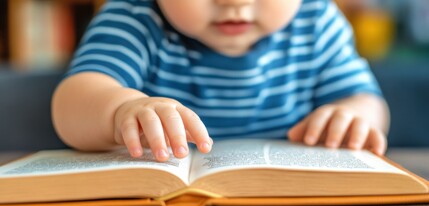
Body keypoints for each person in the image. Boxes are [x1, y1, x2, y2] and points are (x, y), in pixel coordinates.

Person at [52, 0, 390, 162]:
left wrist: (354, 116)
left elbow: (366, 101)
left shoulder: (317, 21)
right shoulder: (134, 18)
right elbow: (71, 103)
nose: (234, 2)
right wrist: (120, 109)